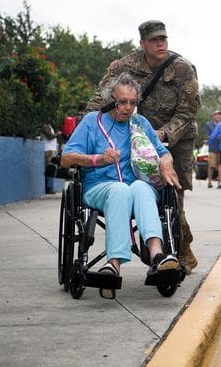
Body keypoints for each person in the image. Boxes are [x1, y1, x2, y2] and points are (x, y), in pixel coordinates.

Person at [86, 20, 201, 275]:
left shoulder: (183, 69)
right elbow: (100, 97)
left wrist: (158, 136)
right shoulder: (125, 65)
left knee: (172, 196)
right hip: (133, 132)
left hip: (174, 138)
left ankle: (180, 251)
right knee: (137, 187)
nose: (160, 44)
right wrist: (92, 124)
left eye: (163, 39)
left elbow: (187, 114)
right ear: (143, 43)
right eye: (154, 40)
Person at [61, 73, 181, 299]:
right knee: (121, 190)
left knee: (141, 188)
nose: (127, 108)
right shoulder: (92, 122)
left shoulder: (140, 123)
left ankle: (157, 256)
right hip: (99, 187)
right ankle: (113, 265)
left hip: (134, 187)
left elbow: (163, 151)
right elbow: (66, 158)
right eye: (122, 102)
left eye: (133, 103)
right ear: (110, 101)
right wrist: (97, 159)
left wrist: (165, 162)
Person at [41, 121, 60, 193]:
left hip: (51, 149)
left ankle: (48, 187)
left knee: (51, 169)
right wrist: (57, 134)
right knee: (48, 169)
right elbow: (50, 137)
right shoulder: (45, 126)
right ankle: (47, 188)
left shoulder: (50, 126)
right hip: (48, 149)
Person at [205, 110, 221, 188]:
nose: (218, 116)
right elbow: (207, 136)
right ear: (213, 116)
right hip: (212, 147)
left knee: (220, 165)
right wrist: (215, 136)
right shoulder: (209, 124)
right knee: (211, 166)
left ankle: (220, 182)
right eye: (216, 115)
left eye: (219, 115)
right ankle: (209, 182)